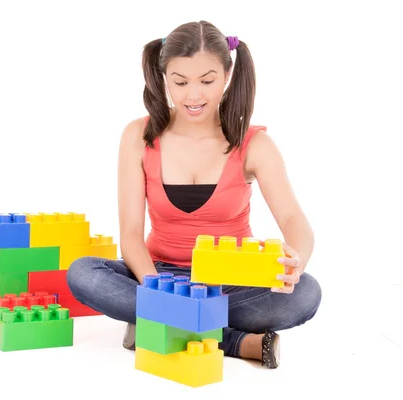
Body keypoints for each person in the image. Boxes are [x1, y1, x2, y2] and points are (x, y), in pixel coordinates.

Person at [66, 20, 322, 369]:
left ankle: (158, 325)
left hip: (230, 284)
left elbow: (294, 220)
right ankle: (231, 341)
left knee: (306, 293)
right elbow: (129, 234)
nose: (193, 95)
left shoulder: (254, 144)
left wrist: (297, 260)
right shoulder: (137, 136)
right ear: (164, 76)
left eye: (207, 81)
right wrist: (159, 289)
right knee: (83, 273)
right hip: (156, 275)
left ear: (227, 75)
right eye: (180, 82)